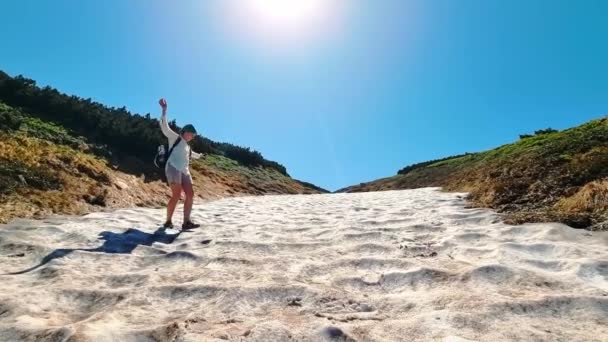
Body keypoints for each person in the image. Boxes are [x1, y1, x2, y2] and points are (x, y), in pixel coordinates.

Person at [159, 98, 201, 230]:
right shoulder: (175, 138)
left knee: (190, 194)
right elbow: (164, 127)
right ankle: (168, 221)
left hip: (184, 171)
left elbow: (192, 155)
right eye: (190, 133)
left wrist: (200, 156)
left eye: (193, 135)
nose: (191, 136)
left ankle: (186, 222)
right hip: (172, 167)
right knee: (176, 195)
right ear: (184, 132)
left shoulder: (188, 147)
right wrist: (164, 110)